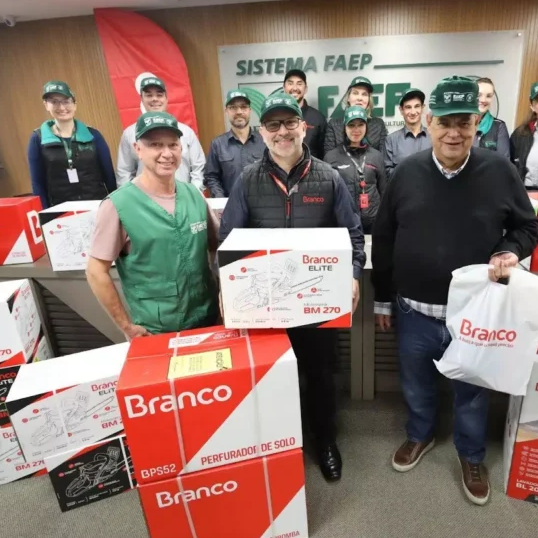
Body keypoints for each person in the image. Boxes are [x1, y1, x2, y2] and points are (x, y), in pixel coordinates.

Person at [372, 76, 538, 506]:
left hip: (473, 313)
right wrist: (382, 297)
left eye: (463, 122)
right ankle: (420, 435)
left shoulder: (499, 171)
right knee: (416, 384)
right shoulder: (405, 174)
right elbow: (385, 239)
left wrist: (508, 250)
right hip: (413, 310)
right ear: (428, 122)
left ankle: (471, 454)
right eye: (445, 122)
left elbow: (527, 226)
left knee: (471, 390)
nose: (453, 132)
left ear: (478, 123)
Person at [220, 92, 366, 483]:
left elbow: (353, 234)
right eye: (273, 125)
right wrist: (228, 284)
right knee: (272, 376)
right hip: (265, 305)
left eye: (289, 123)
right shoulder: (247, 179)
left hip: (316, 301)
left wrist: (353, 273)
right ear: (262, 132)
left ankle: (326, 442)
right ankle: (275, 446)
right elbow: (228, 239)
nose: (282, 132)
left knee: (320, 374)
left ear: (303, 127)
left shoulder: (329, 177)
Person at [87, 111, 217, 339]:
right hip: (156, 331)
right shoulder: (118, 205)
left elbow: (217, 245)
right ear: (138, 149)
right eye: (156, 145)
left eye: (173, 145)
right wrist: (126, 326)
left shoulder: (194, 195)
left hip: (208, 320)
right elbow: (96, 271)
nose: (166, 153)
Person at [28, 81, 115, 208]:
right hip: (60, 211)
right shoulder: (38, 138)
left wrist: (114, 208)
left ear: (75, 104)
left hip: (98, 207)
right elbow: (37, 183)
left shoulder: (93, 135)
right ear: (46, 105)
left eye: (66, 101)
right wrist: (44, 215)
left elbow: (109, 177)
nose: (62, 107)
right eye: (54, 102)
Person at [115, 74, 206, 191]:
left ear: (166, 99)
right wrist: (132, 199)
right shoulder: (130, 134)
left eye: (159, 95)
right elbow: (124, 172)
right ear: (142, 99)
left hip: (183, 198)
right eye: (149, 95)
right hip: (145, 202)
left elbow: (199, 167)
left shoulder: (186, 132)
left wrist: (193, 194)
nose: (154, 99)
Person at [325, 106, 385, 234]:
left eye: (360, 124)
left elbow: (383, 191)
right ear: (344, 128)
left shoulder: (376, 156)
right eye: (351, 125)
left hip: (373, 223)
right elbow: (327, 197)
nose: (356, 130)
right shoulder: (331, 157)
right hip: (343, 223)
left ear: (366, 127)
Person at [205, 89, 266, 198]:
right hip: (230, 207)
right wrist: (222, 201)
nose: (239, 112)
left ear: (250, 110)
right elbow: (211, 177)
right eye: (233, 107)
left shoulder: (264, 141)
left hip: (261, 206)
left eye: (243, 107)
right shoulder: (217, 144)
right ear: (226, 111)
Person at [322, 76, 388, 154]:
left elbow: (382, 158)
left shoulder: (378, 124)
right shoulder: (334, 124)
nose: (360, 98)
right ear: (348, 98)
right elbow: (329, 158)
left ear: (369, 100)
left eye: (364, 94)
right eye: (355, 93)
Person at [382, 87, 430, 178]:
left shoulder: (434, 137)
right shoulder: (391, 140)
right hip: (402, 191)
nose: (413, 112)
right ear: (401, 110)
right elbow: (387, 172)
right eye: (408, 107)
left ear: (422, 108)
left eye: (417, 106)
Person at [282, 69, 326, 159]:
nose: (294, 88)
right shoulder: (275, 116)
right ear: (284, 88)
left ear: (305, 89)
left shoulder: (317, 118)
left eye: (299, 84)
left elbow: (323, 155)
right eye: (290, 83)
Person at [473, 77, 511, 158]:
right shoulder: (460, 124)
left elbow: (504, 162)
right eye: (479, 95)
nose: (483, 100)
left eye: (488, 96)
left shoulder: (499, 126)